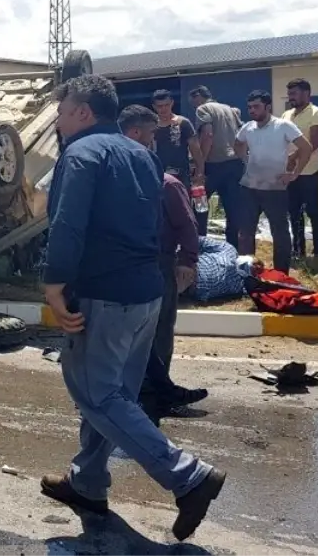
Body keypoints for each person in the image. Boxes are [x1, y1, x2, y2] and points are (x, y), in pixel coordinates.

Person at [39, 76, 223, 541]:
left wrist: (54, 284)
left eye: (62, 112)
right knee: (114, 393)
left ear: (83, 112)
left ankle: (189, 477)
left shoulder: (81, 154)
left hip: (105, 293)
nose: (58, 121)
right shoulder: (141, 154)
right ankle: (88, 483)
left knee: (96, 394)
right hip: (146, 292)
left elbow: (67, 225)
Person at [117, 105, 207, 419]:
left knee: (159, 332)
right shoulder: (122, 177)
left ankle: (158, 392)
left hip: (159, 264)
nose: (154, 139)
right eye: (152, 133)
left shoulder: (167, 183)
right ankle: (141, 393)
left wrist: (187, 262)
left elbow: (187, 225)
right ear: (136, 133)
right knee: (135, 333)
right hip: (129, 265)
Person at [234, 90, 312, 273]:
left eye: (256, 107)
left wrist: (293, 174)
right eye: (250, 107)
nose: (252, 110)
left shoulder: (283, 125)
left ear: (268, 107)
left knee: (280, 233)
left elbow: (306, 148)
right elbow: (237, 144)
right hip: (249, 187)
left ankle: (280, 274)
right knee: (245, 232)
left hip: (275, 188)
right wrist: (245, 160)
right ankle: (247, 272)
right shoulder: (248, 127)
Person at [280, 79, 318, 265]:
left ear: (307, 93)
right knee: (293, 212)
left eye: (295, 93)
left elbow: (314, 144)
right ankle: (298, 250)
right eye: (290, 94)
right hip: (289, 173)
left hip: (308, 172)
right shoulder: (286, 115)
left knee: (313, 211)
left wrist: (293, 158)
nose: (291, 97)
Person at [192, 86, 244, 248]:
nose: (193, 105)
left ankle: (200, 245)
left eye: (193, 101)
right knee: (233, 210)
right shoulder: (230, 110)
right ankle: (232, 249)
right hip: (235, 164)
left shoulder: (203, 109)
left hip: (213, 165)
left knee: (199, 205)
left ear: (198, 97)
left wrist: (200, 165)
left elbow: (207, 135)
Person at [150, 89, 201, 189]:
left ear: (172, 103)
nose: (164, 109)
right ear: (154, 107)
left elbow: (196, 151)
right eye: (160, 106)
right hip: (158, 175)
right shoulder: (150, 126)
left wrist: (199, 172)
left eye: (167, 105)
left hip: (181, 175)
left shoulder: (183, 123)